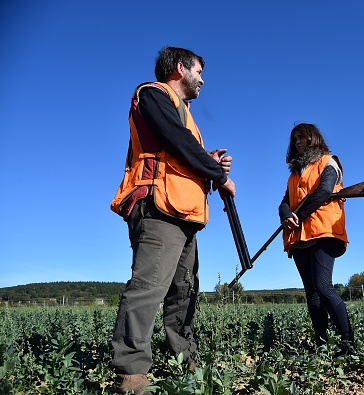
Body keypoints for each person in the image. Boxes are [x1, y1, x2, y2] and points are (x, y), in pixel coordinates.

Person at [109, 46, 236, 394]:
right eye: (199, 71)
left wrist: (209, 162)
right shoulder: (152, 93)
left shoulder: (186, 114)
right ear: (180, 68)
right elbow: (175, 141)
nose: (203, 79)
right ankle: (131, 372)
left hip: (184, 213)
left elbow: (182, 152)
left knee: (183, 291)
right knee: (149, 287)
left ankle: (184, 358)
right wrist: (218, 174)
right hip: (157, 208)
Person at [278, 123, 354, 357]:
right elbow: (284, 202)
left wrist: (297, 216)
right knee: (311, 291)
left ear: (314, 138)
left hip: (323, 231)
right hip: (299, 236)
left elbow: (323, 192)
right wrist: (285, 216)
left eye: (302, 137)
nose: (298, 141)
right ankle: (321, 344)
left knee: (323, 285)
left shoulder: (328, 162)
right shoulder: (294, 174)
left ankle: (348, 343)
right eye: (295, 139)